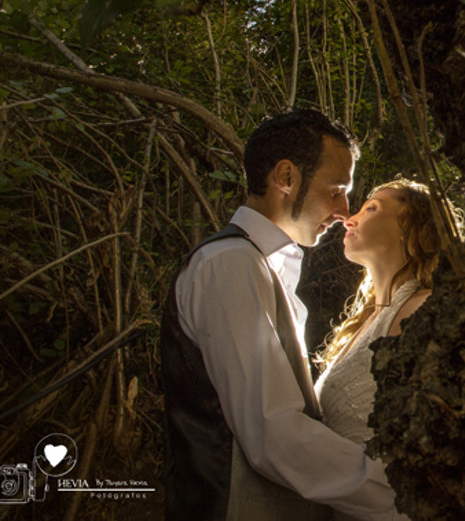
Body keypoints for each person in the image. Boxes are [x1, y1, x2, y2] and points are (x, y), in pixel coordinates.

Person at [161, 109, 399, 520]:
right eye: (337, 189)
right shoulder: (230, 264)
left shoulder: (262, 265)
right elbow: (273, 432)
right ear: (286, 177)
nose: (345, 209)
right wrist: (403, 498)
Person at [314, 179, 463, 521]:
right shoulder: (364, 321)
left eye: (372, 208)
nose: (349, 219)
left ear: (411, 229)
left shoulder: (426, 310)